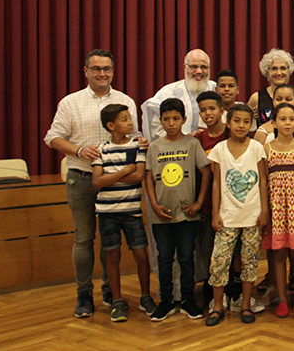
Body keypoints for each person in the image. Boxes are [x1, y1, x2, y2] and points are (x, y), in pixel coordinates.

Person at [44, 48, 141, 317]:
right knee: (85, 238)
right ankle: (84, 294)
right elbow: (52, 137)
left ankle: (110, 290)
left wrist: (141, 140)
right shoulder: (70, 102)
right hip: (83, 178)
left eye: (106, 69)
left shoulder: (126, 100)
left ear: (113, 71)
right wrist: (77, 150)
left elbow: (132, 132)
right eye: (96, 69)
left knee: (111, 241)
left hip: (120, 183)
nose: (102, 74)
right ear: (85, 71)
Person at [143, 98, 212, 322]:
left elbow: (206, 172)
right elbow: (148, 177)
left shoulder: (192, 145)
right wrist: (153, 204)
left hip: (187, 215)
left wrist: (199, 203)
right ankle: (166, 301)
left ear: (183, 119)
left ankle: (188, 299)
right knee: (164, 258)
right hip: (161, 215)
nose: (171, 123)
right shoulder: (155, 147)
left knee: (186, 257)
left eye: (176, 118)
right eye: (166, 119)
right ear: (161, 121)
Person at [205, 104, 269, 326]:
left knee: (250, 261)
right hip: (227, 217)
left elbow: (263, 180)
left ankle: (245, 305)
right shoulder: (219, 150)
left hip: (252, 217)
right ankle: (218, 306)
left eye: (246, 122)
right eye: (237, 121)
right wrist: (215, 213)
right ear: (228, 123)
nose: (241, 126)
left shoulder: (256, 149)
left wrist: (264, 210)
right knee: (219, 261)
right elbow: (215, 183)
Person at [90, 104, 152, 322]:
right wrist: (125, 169)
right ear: (111, 125)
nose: (130, 123)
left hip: (132, 211)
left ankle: (145, 296)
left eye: (129, 118)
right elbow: (97, 182)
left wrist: (113, 176)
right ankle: (117, 300)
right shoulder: (100, 150)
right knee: (112, 256)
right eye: (124, 119)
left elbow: (138, 176)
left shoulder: (138, 146)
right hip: (107, 213)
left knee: (141, 255)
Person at [265, 103, 294, 319]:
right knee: (278, 255)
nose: (287, 123)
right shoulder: (267, 148)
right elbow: (263, 181)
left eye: (291, 119)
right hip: (275, 209)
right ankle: (282, 299)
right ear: (273, 122)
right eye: (282, 119)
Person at [191, 91, 228, 306]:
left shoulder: (233, 134)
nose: (208, 113)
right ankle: (209, 289)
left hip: (232, 203)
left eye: (212, 109)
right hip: (206, 204)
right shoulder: (197, 140)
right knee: (207, 249)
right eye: (203, 110)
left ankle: (233, 288)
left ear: (222, 110)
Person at [141, 48, 217, 140]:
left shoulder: (216, 89)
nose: (199, 71)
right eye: (194, 67)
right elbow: (155, 126)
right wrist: (182, 137)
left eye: (204, 67)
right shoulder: (168, 91)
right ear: (185, 67)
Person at [248, 48, 294, 127]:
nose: (279, 72)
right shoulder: (256, 98)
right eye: (274, 68)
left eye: (283, 68)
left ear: (289, 70)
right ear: (267, 71)